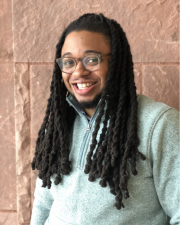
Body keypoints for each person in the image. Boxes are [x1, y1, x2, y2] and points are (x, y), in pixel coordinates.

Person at [30, 13, 179, 225]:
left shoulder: (160, 125)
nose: (78, 72)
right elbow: (43, 203)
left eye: (92, 59)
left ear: (116, 62)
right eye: (69, 62)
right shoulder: (58, 126)